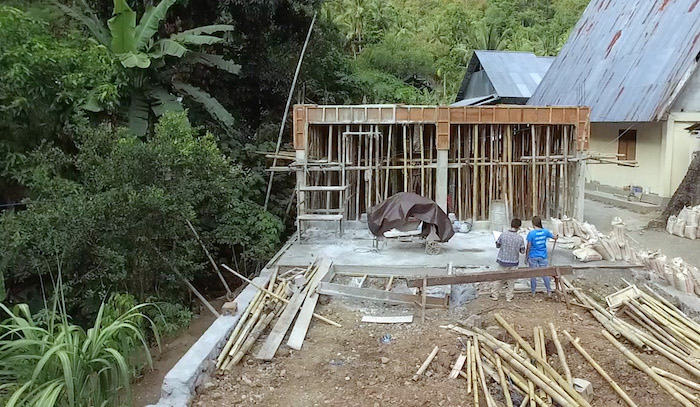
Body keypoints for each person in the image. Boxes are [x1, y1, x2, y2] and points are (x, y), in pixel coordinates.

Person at [491, 218, 526, 302]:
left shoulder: (503, 235)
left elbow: (498, 245)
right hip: (513, 262)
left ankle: (495, 295)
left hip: (502, 260)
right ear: (519, 227)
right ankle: (509, 296)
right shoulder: (520, 238)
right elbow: (522, 251)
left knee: (499, 279)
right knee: (511, 280)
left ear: (511, 225)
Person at [526, 215, 558, 295]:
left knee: (533, 274)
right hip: (543, 256)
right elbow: (554, 237)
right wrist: (556, 236)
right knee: (545, 273)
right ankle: (549, 290)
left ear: (533, 224)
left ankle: (533, 292)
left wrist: (526, 256)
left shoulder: (531, 234)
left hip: (533, 256)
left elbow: (528, 246)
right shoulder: (545, 232)